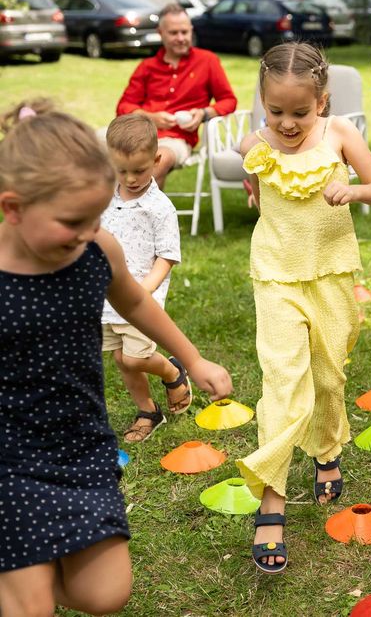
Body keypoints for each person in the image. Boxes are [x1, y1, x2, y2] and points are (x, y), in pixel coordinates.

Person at [0, 102, 233, 615]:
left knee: (103, 595)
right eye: (73, 222)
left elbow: (133, 302)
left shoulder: (94, 249)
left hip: (81, 443)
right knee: (30, 605)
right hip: (11, 453)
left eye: (95, 216)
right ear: (13, 208)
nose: (89, 232)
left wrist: (192, 361)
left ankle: (31, 568)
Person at [235, 42, 371, 574]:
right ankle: (271, 501)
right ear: (262, 103)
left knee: (327, 377)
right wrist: (254, 186)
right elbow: (254, 177)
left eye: (299, 112)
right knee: (284, 380)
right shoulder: (257, 143)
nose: (286, 123)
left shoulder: (340, 135)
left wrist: (352, 193)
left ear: (322, 103)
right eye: (275, 111)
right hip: (276, 274)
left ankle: (327, 450)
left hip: (330, 274)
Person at [102, 113, 190, 443]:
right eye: (121, 170)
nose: (130, 178)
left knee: (135, 356)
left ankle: (172, 371)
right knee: (121, 359)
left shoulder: (159, 207)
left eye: (139, 170)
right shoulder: (105, 197)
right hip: (107, 297)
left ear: (156, 160)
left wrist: (144, 291)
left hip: (141, 297)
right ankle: (147, 411)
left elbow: (167, 256)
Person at [116, 3, 237, 190]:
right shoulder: (147, 67)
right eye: (173, 33)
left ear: (191, 31)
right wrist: (150, 118)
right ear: (160, 33)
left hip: (176, 140)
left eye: (184, 32)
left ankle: (144, 218)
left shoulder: (207, 61)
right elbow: (124, 106)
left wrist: (203, 114)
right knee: (90, 150)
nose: (181, 38)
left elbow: (229, 100)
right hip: (137, 134)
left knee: (156, 162)